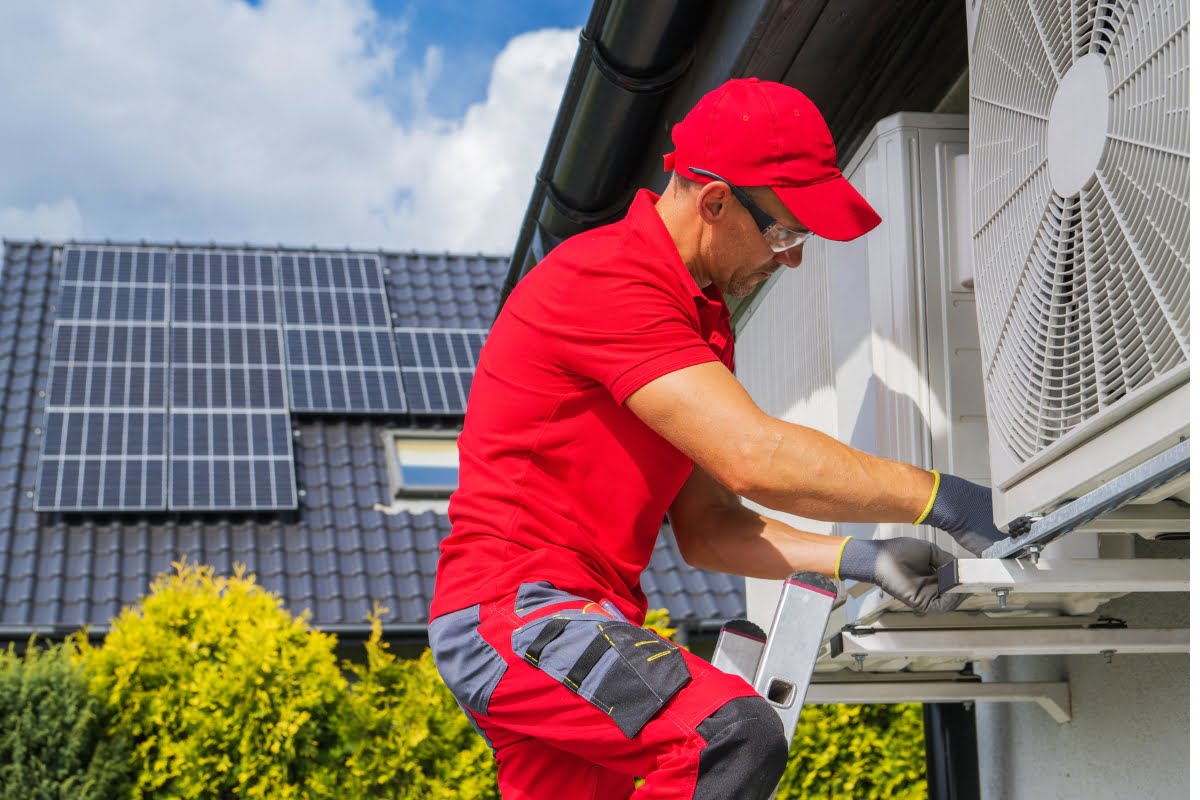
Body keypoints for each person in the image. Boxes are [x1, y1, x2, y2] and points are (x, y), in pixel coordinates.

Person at [428, 77, 1006, 800]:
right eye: (785, 233)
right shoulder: (610, 280)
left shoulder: (697, 320)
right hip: (520, 613)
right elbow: (752, 456)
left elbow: (708, 527)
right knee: (728, 734)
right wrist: (940, 497)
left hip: (578, 617)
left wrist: (861, 555)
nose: (791, 259)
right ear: (715, 201)